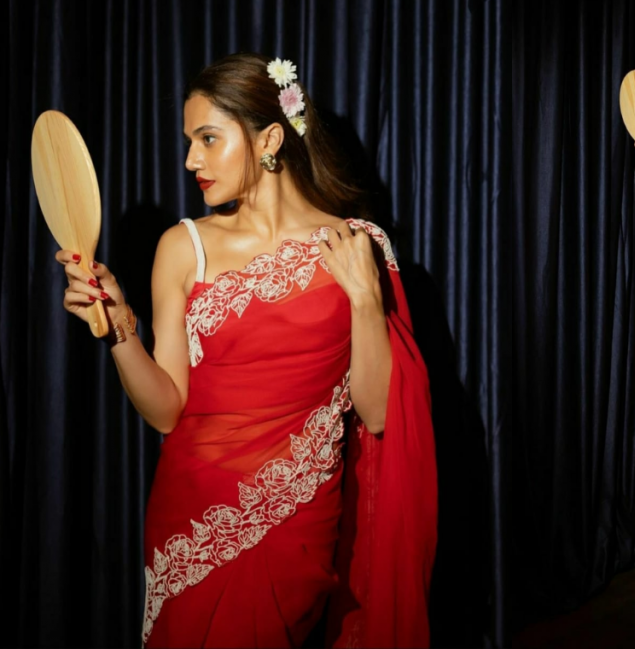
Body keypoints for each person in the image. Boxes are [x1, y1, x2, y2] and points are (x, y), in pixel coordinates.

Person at [56, 52, 437, 648]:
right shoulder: (183, 248)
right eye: (189, 141)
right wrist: (117, 328)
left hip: (295, 524)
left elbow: (379, 413)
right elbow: (164, 410)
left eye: (208, 139)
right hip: (191, 516)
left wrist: (364, 301)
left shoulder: (355, 245)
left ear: (270, 139)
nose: (191, 160)